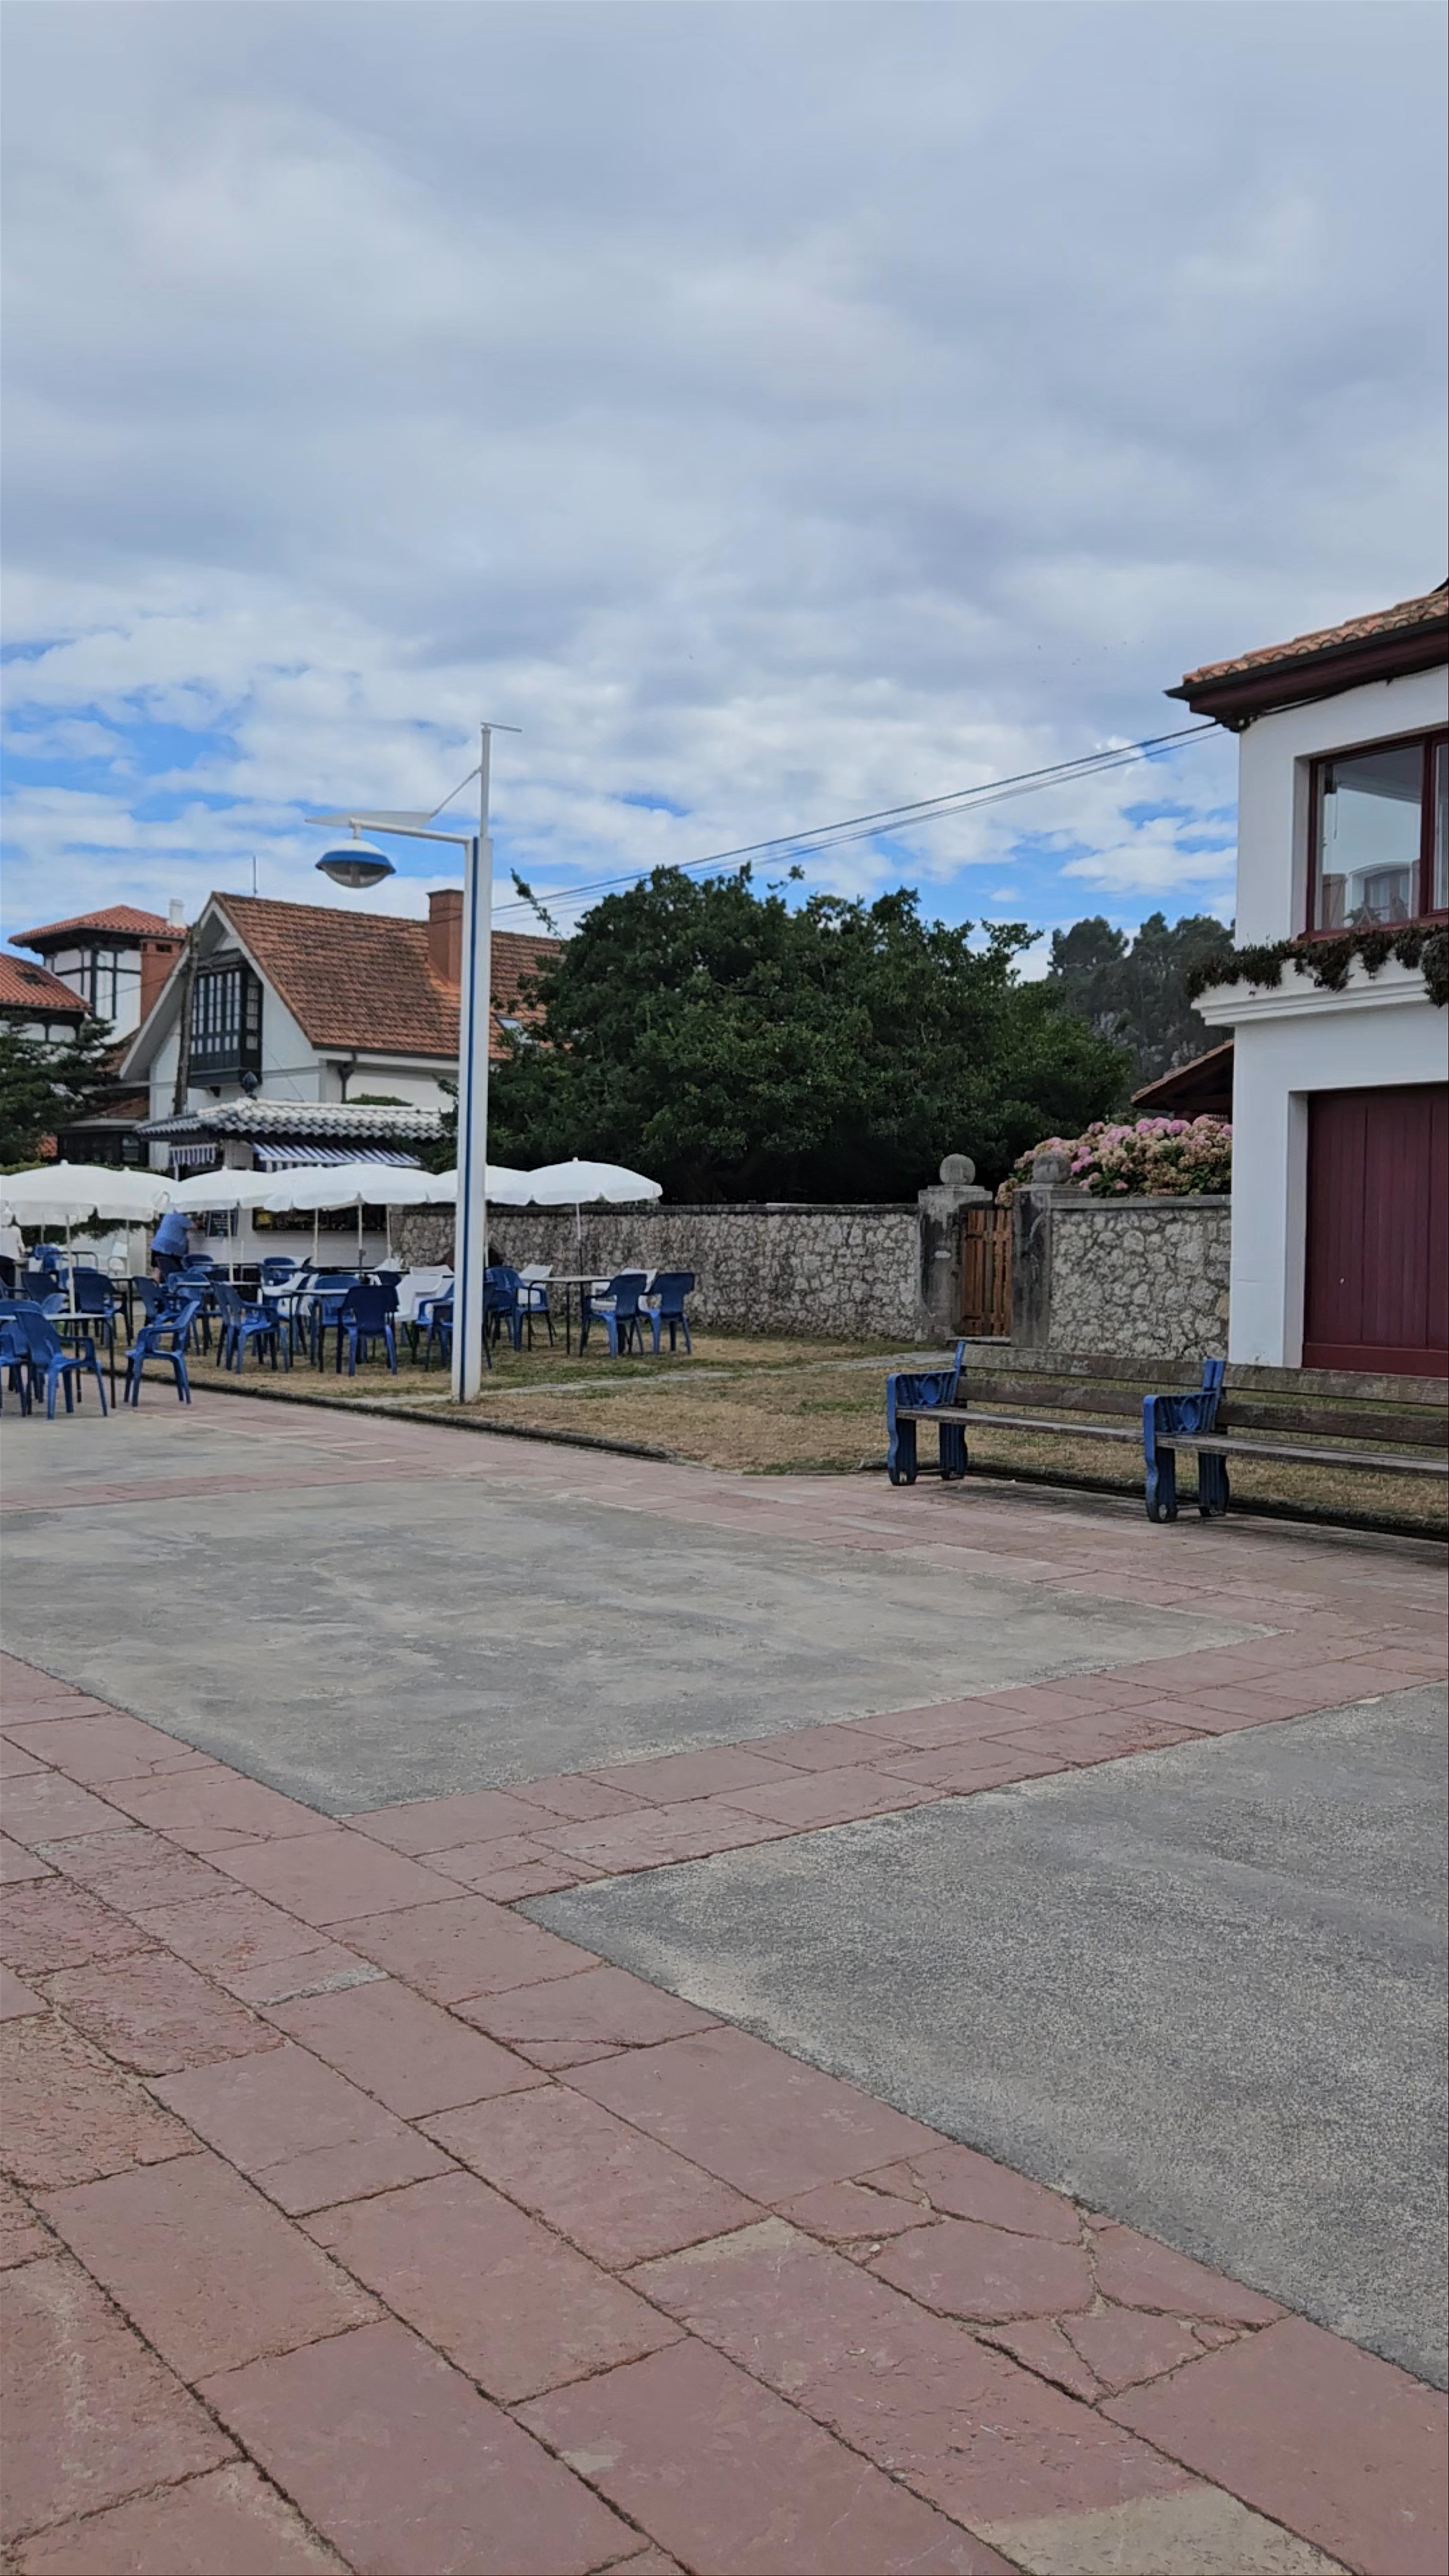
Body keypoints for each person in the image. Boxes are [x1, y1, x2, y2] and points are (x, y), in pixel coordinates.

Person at [151, 1204, 192, 1280]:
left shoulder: (168, 1214)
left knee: (157, 1271)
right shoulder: (180, 1217)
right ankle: (173, 1289)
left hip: (157, 1246)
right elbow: (195, 1226)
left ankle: (153, 1289)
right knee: (175, 1274)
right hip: (170, 1249)